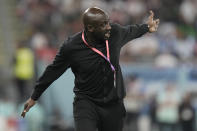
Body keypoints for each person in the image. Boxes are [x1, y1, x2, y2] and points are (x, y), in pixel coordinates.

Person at [21, 7, 159, 131]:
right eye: (103, 24)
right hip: (86, 102)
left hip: (113, 104)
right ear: (90, 28)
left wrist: (147, 27)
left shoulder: (115, 33)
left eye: (108, 22)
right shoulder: (71, 47)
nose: (108, 27)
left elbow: (131, 31)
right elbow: (52, 71)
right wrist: (34, 96)